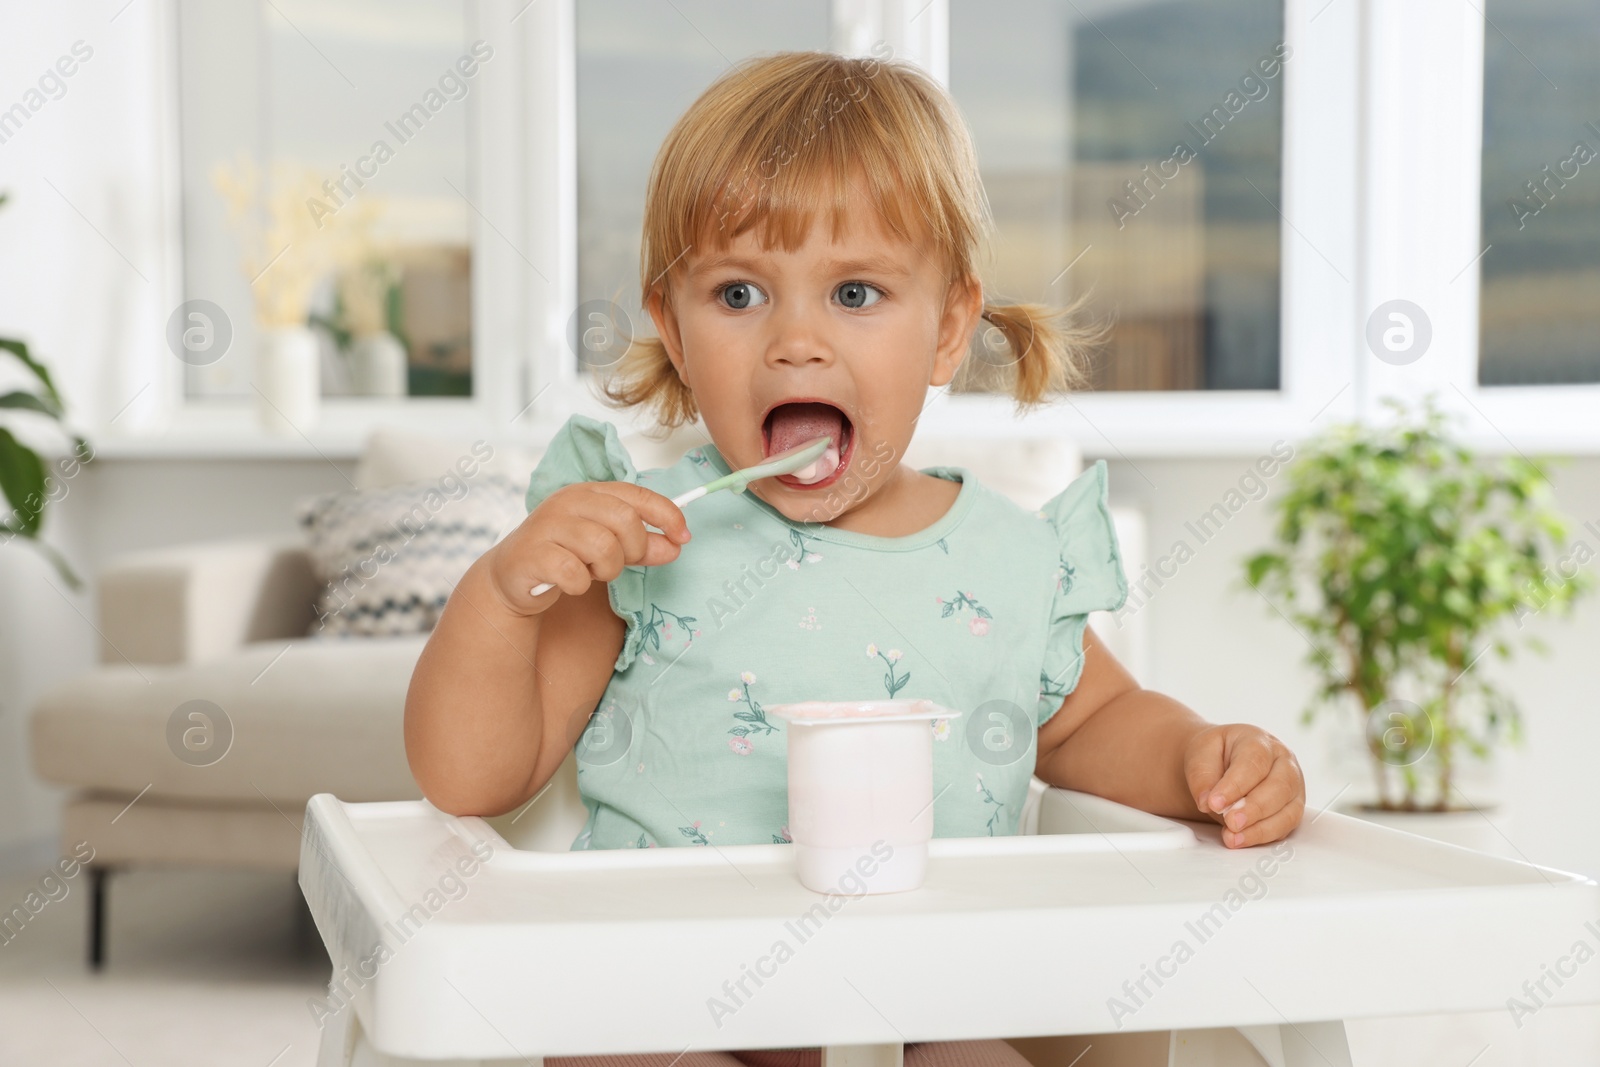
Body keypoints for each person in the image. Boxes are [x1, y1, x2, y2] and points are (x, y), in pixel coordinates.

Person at [405, 49, 1305, 1067]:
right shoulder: (644, 546)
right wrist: (499, 597)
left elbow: (1098, 718)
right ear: (673, 327)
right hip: (668, 994)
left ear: (948, 329)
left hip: (939, 996)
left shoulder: (1011, 558)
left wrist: (1199, 758)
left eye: (857, 293)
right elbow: (471, 778)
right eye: (739, 294)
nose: (795, 341)